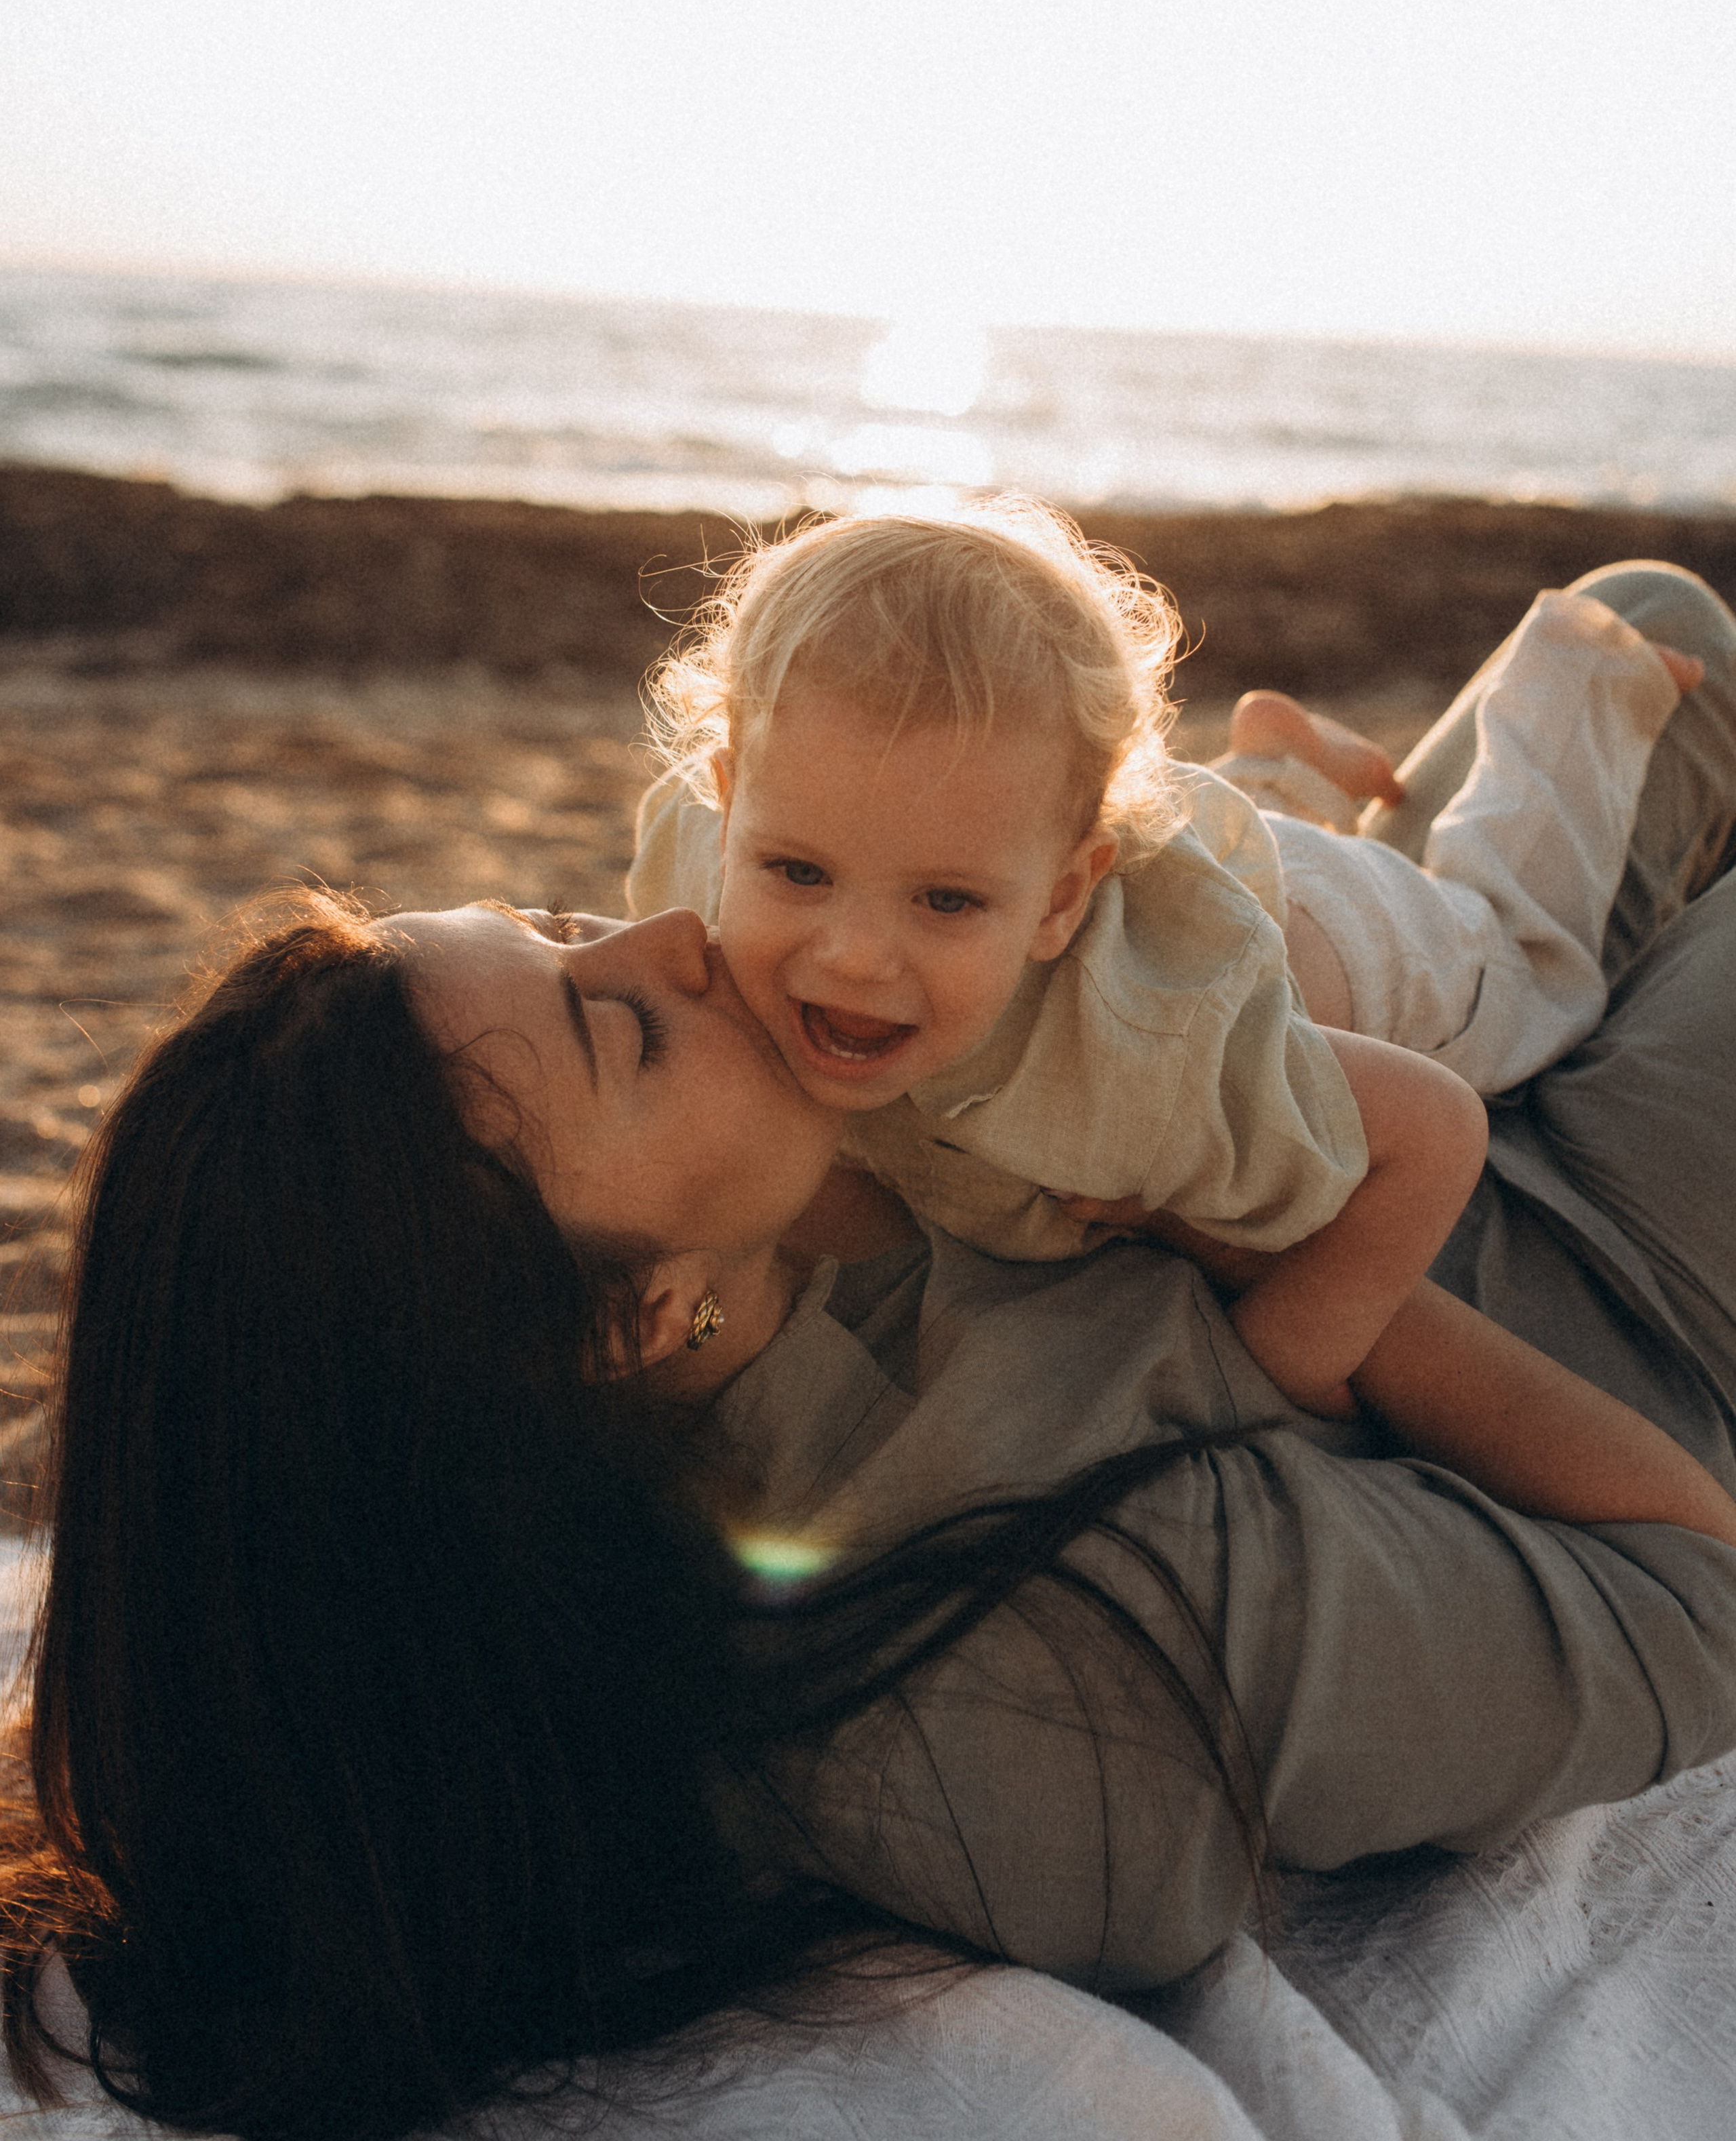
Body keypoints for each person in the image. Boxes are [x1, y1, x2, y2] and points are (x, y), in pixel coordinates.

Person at [4, 557, 1736, 2141]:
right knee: (1654, 664)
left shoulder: (699, 1251)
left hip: (1386, 1101)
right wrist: (1270, 1262)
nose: (670, 933)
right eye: (614, 1023)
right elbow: (1693, 1592)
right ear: (621, 1315)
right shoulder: (1029, 1677)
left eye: (544, 927)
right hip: (1614, 1287)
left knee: (1653, 621)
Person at [625, 503, 1689, 1413]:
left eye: (946, 901)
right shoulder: (698, 871)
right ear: (727, 810)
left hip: (1340, 947)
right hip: (1185, 881)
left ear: (1060, 902)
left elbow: (1436, 1134)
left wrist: (1279, 1366)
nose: (853, 958)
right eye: (798, 873)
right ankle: (1272, 768)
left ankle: (1583, 678)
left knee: (1520, 959)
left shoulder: (1155, 1060)